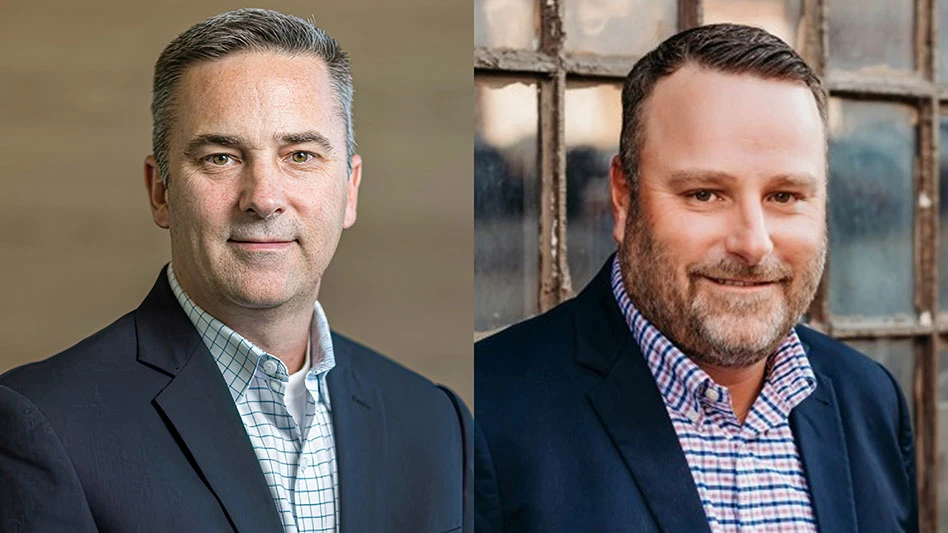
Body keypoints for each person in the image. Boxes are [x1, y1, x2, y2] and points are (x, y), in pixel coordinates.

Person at [0, 9, 471, 533]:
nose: (263, 199)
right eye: (221, 157)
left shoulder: (437, 424)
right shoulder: (41, 422)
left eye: (301, 154)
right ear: (161, 192)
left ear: (350, 189)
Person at [474, 24, 916, 533]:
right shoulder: (487, 415)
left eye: (785, 196)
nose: (753, 243)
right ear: (623, 196)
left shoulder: (870, 400)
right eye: (705, 193)